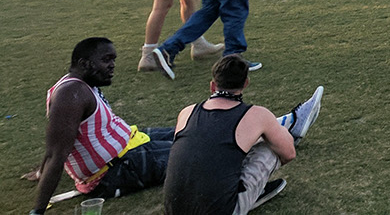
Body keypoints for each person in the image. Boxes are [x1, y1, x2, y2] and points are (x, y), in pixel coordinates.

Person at [28, 38, 320, 211]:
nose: (113, 66)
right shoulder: (71, 93)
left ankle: (279, 126)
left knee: (198, 132)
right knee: (203, 147)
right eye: (106, 60)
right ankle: (285, 127)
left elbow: (56, 139)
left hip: (131, 143)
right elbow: (57, 150)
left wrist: (41, 169)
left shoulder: (77, 86)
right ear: (84, 62)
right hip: (117, 168)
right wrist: (38, 210)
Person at [162, 54, 323, 215]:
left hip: (174, 209)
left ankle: (282, 125)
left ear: (212, 86)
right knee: (271, 148)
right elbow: (288, 153)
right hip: (224, 210)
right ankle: (287, 125)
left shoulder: (187, 112)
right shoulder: (256, 115)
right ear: (246, 83)